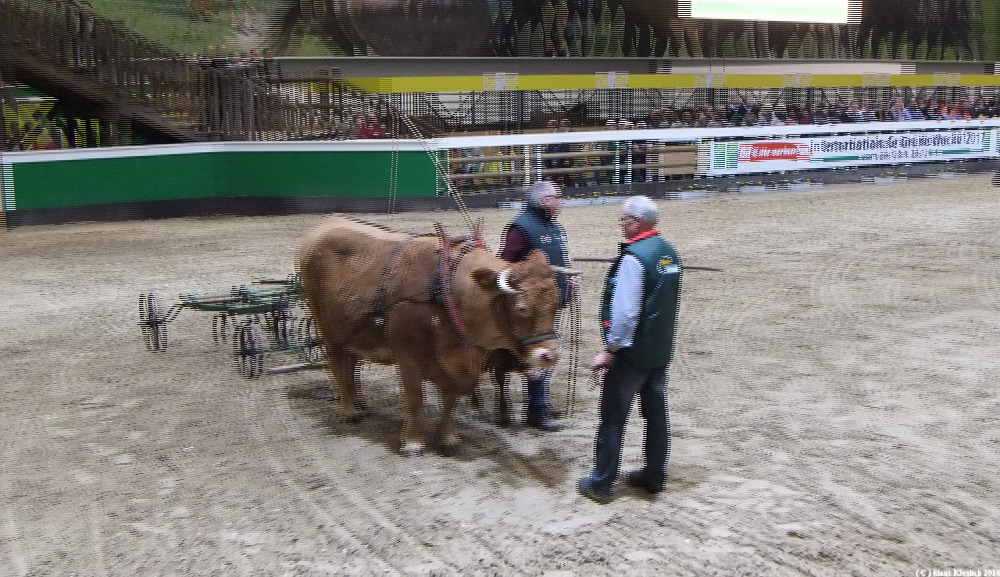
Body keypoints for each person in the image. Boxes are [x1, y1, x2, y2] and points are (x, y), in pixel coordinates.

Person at [577, 195, 682, 503]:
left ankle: (601, 483)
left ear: (636, 222)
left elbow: (625, 314)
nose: (621, 225)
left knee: (612, 419)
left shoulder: (634, 259)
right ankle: (654, 475)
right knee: (656, 415)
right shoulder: (669, 253)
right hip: (659, 350)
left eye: (623, 220)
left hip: (632, 353)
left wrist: (609, 350)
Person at [499, 180, 576, 431]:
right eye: (558, 197)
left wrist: (569, 279)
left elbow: (558, 261)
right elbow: (505, 265)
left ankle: (539, 403)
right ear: (544, 201)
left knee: (548, 355)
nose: (561, 201)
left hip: (553, 304)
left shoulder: (555, 227)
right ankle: (536, 409)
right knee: (542, 355)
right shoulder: (521, 228)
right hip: (533, 309)